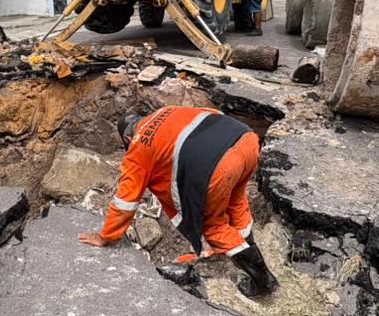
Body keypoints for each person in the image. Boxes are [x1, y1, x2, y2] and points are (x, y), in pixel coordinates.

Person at [77, 107, 279, 297]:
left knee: (212, 226)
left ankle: (264, 281)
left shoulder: (138, 146)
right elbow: (214, 114)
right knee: (235, 200)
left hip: (221, 166)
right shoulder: (165, 111)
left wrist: (106, 236)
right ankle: (247, 243)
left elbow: (125, 201)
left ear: (127, 138)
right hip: (246, 140)